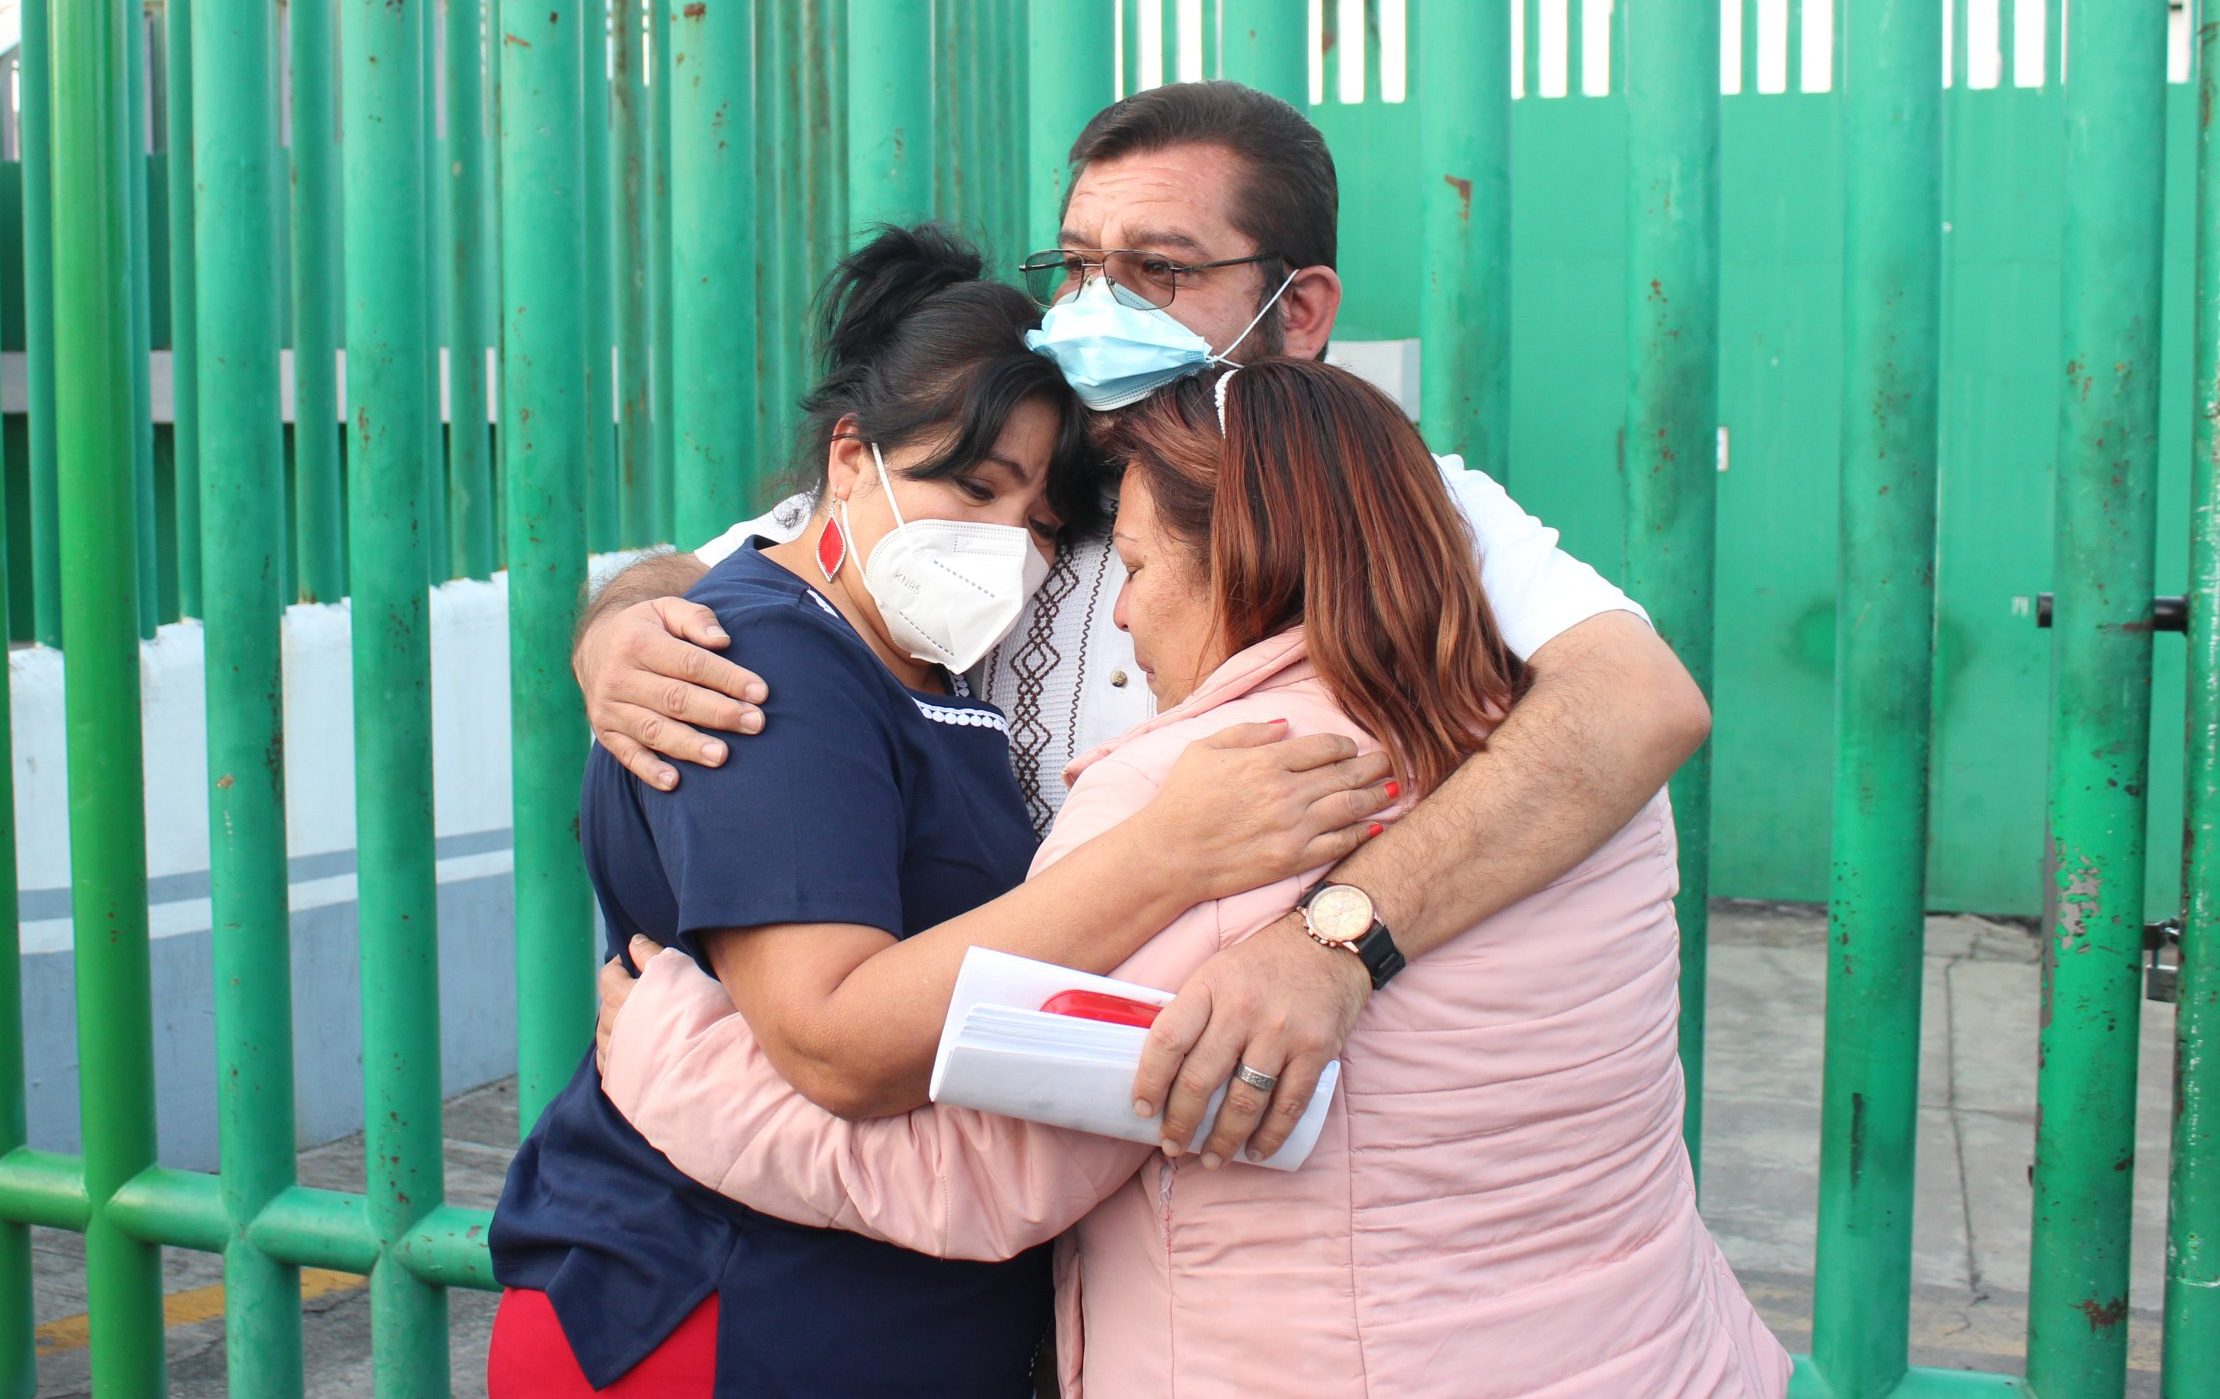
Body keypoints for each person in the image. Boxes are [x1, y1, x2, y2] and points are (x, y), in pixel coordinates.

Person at [570, 82, 1712, 1169]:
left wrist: (1337, 942)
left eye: (1156, 270)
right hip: (953, 1142)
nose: (1092, 312)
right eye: (1076, 267)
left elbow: (1635, 702)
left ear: (1299, 309)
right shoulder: (1014, 462)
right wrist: (619, 630)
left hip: (1239, 1147)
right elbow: (744, 563)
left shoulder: (1383, 505)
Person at [596, 359, 1790, 1397]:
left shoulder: (1214, 798)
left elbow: (970, 1178)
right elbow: (739, 576)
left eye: (1139, 564)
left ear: (1246, 567)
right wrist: (616, 627)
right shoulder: (1569, 769)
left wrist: (670, 1056)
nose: (1114, 614)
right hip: (1647, 1351)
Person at [484, 228, 1390, 1397]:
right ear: (850, 461)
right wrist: (1168, 854)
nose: (1006, 543)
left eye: (1045, 518)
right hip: (724, 1306)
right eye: (974, 485)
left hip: (865, 1308)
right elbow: (834, 1040)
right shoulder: (767, 664)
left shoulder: (914, 665)